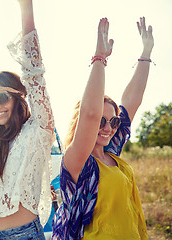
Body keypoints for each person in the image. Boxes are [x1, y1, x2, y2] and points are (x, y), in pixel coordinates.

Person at [52, 17, 154, 240]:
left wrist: (146, 54)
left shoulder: (112, 154)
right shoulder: (78, 161)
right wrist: (99, 59)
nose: (108, 128)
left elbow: (132, 100)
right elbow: (89, 114)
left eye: (113, 121)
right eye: (101, 121)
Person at [0, 0, 56, 239]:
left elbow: (35, 72)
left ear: (19, 97)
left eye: (2, 97)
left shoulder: (37, 131)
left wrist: (26, 8)